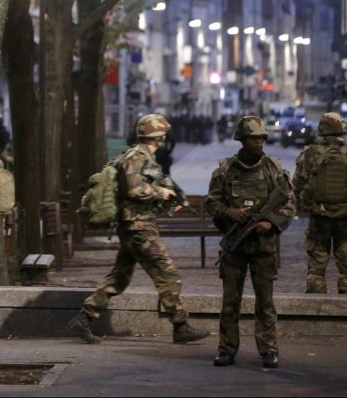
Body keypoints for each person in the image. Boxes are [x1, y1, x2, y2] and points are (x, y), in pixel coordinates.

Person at [66, 114, 209, 345]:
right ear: (159, 135)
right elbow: (135, 190)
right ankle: (180, 325)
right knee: (167, 273)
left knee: (119, 278)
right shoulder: (136, 157)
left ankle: (83, 319)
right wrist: (160, 193)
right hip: (138, 227)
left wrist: (166, 196)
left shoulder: (139, 156)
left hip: (135, 225)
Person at [206, 115, 296, 368]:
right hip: (235, 246)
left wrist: (270, 223)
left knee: (265, 302)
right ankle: (226, 350)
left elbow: (289, 203)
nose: (258, 142)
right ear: (242, 140)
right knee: (230, 302)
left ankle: (268, 350)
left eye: (261, 138)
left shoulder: (273, 169)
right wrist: (229, 213)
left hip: (263, 247)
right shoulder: (225, 170)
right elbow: (211, 202)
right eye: (253, 138)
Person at [293, 112, 347, 294]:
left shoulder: (309, 154)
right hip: (346, 218)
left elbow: (297, 185)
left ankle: (316, 309)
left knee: (316, 266)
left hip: (319, 216)